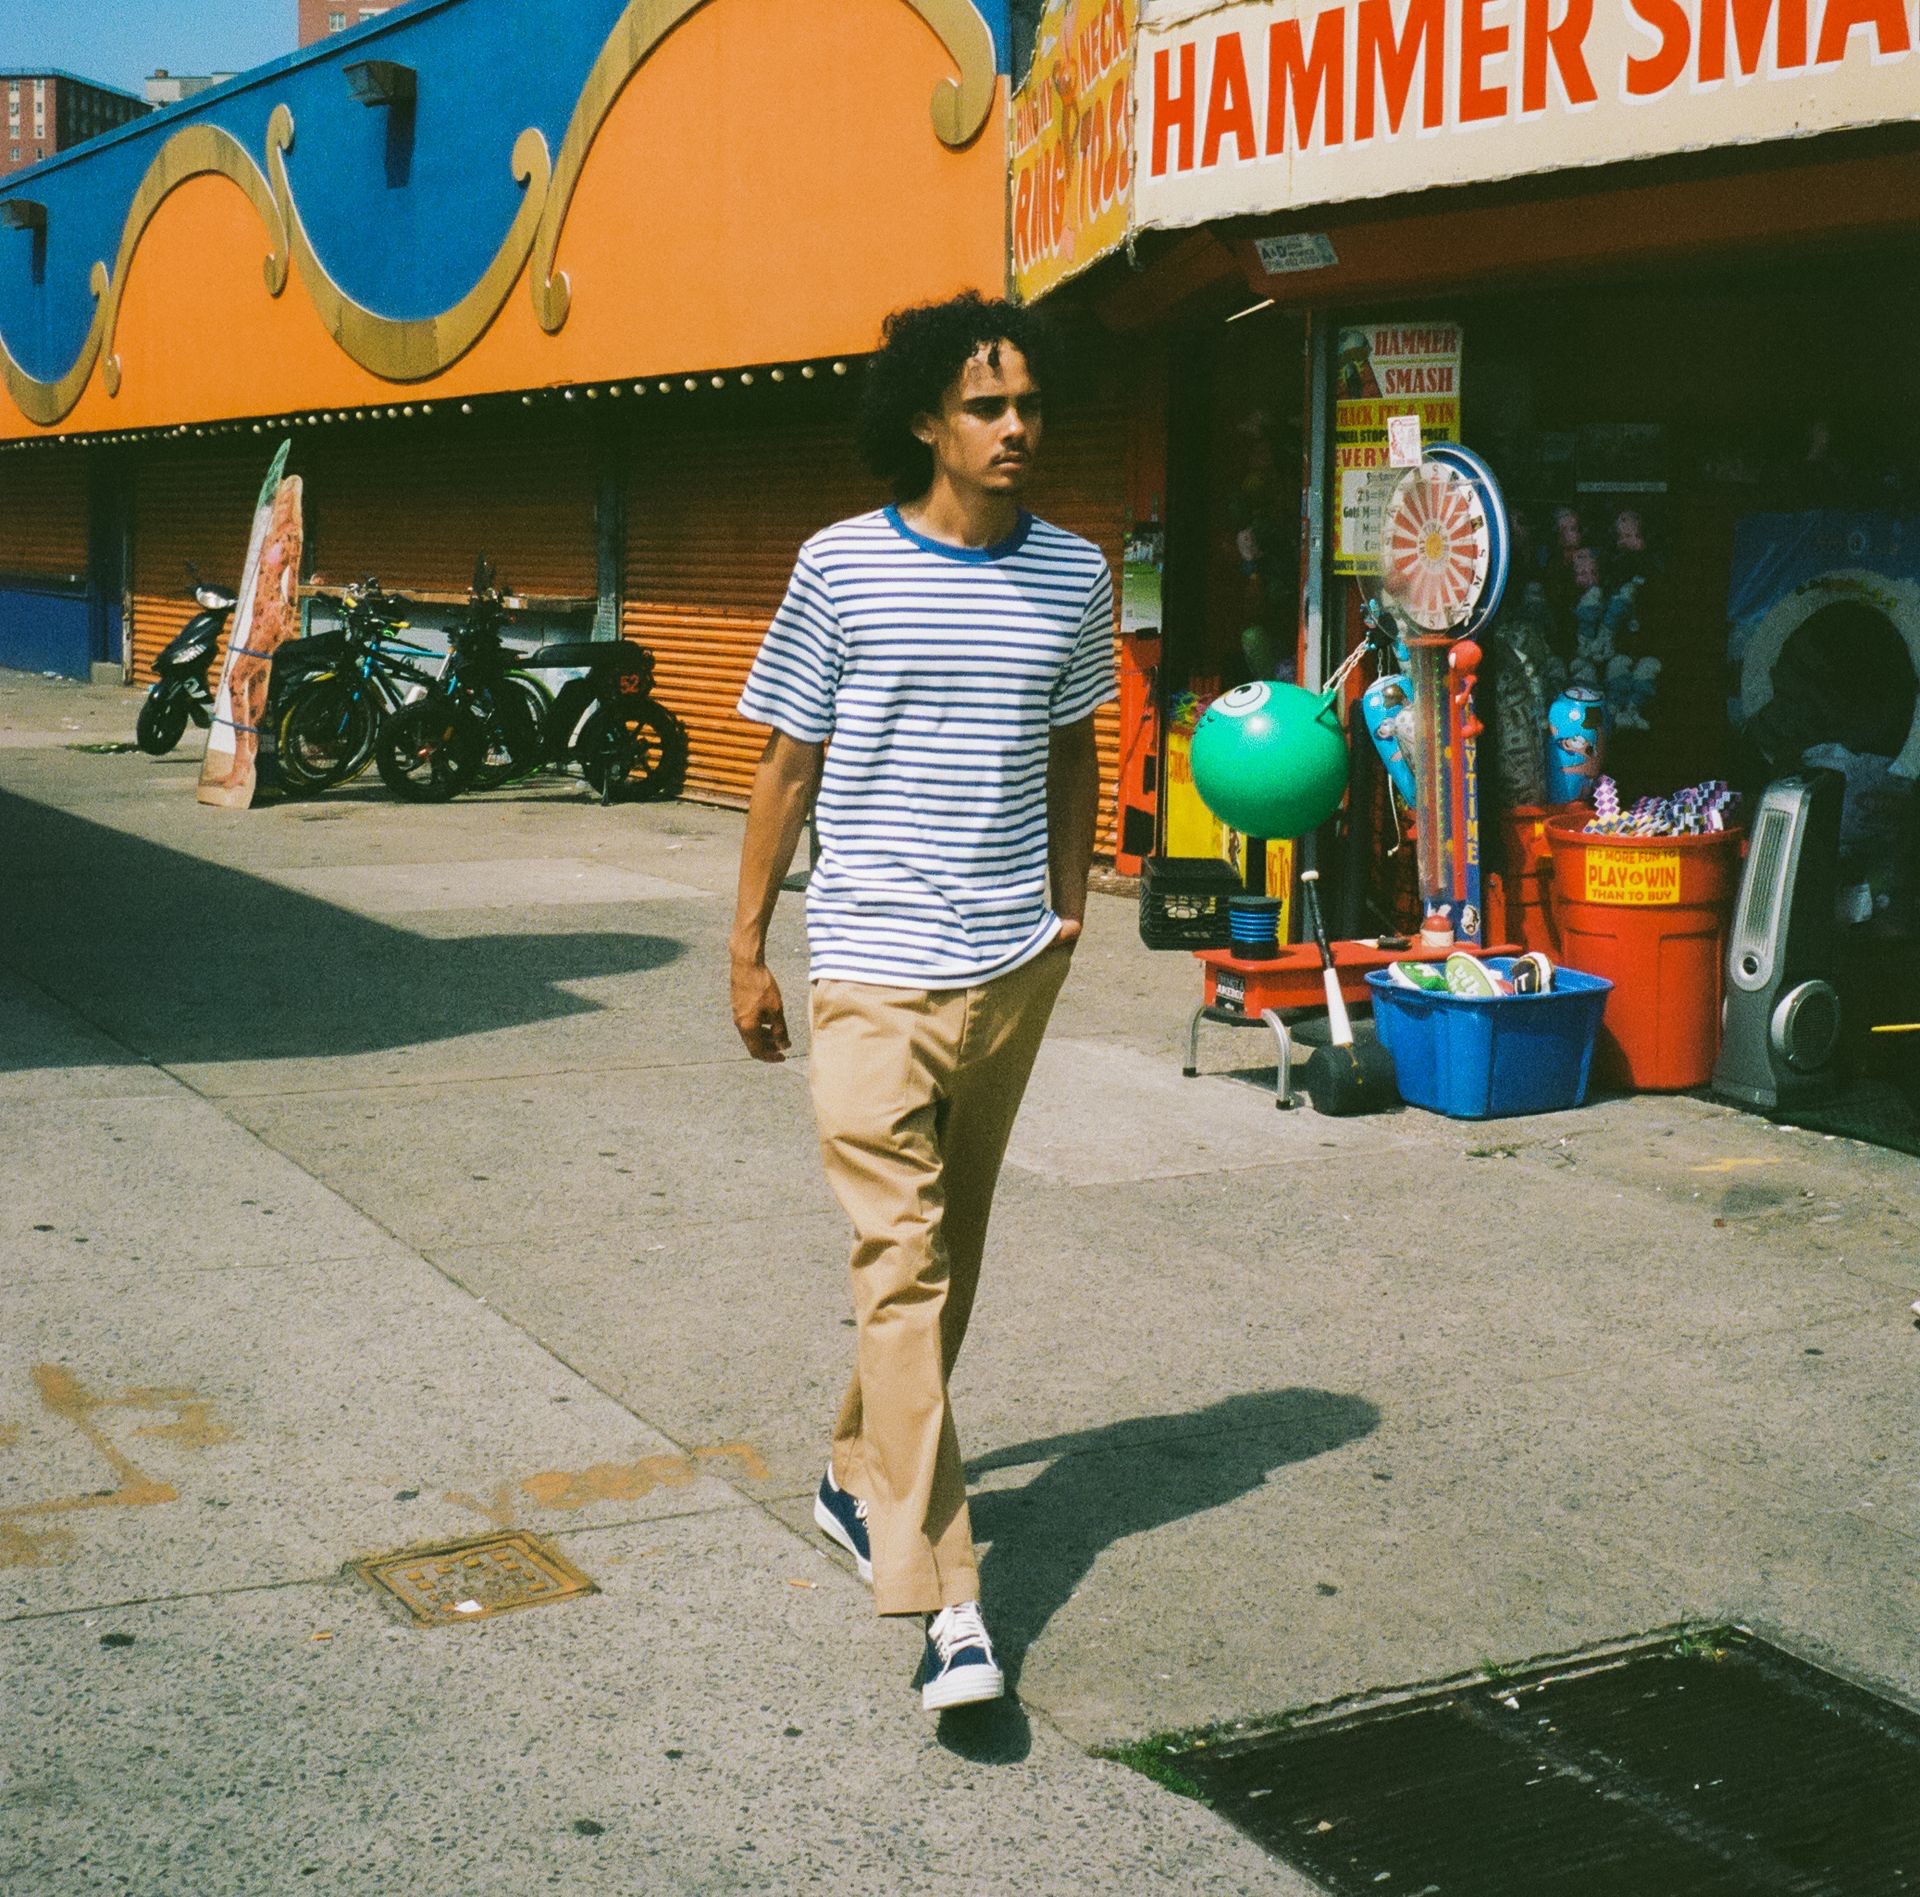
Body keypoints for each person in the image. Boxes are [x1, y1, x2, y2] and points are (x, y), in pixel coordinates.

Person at [728, 292, 1115, 1712]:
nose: (1018, 431)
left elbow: (1078, 742)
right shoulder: (840, 567)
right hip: (873, 961)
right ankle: (948, 1597)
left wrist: (1068, 907)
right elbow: (785, 764)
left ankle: (852, 1469)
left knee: (944, 1251)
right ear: (924, 420)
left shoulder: (1072, 573)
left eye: (1030, 407)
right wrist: (746, 942)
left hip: (1013, 958)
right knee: (901, 1259)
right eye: (988, 407)